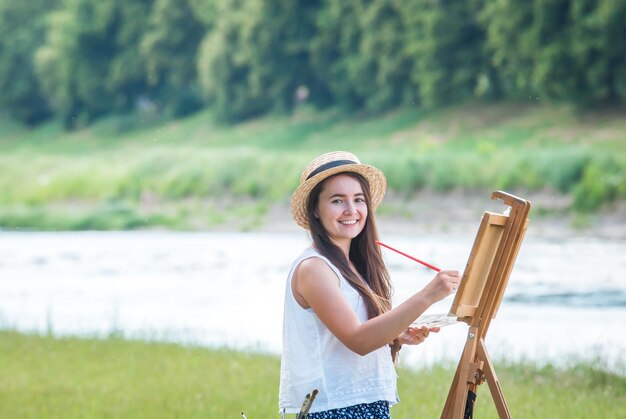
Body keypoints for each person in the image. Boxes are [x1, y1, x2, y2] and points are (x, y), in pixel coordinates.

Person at [279, 151, 460, 418]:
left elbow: (355, 332)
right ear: (315, 209)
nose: (351, 210)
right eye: (337, 200)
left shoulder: (353, 265)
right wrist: (427, 296)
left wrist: (395, 334)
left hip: (364, 404)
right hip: (333, 409)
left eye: (358, 199)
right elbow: (358, 340)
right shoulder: (314, 268)